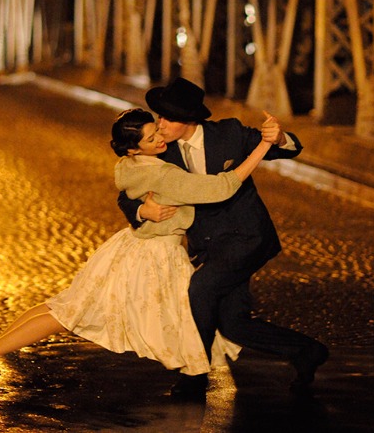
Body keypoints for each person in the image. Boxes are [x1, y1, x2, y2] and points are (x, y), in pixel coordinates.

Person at [0, 108, 277, 396]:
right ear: (135, 147)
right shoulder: (165, 175)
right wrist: (263, 145)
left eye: (156, 130)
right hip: (151, 257)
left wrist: (142, 210)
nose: (161, 138)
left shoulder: (128, 165)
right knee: (71, 313)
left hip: (131, 247)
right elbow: (223, 186)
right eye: (151, 139)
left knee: (66, 307)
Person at [118, 77, 329, 398]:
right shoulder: (160, 150)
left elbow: (289, 149)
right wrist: (141, 211)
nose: (160, 125)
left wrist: (280, 136)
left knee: (200, 290)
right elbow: (128, 189)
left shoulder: (229, 134)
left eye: (168, 119)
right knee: (232, 324)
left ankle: (194, 375)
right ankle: (306, 351)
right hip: (207, 245)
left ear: (190, 121)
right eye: (159, 117)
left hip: (248, 237)